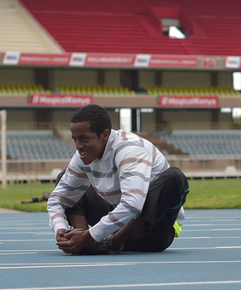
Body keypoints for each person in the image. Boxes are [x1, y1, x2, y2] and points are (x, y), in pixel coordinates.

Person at [48, 104, 188, 255]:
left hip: (148, 232)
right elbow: (57, 200)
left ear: (105, 135)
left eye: (84, 139)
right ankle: (80, 238)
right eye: (75, 139)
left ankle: (110, 243)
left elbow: (133, 205)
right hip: (112, 224)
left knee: (174, 177)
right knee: (65, 179)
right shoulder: (83, 156)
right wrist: (61, 230)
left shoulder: (130, 149)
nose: (78, 146)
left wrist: (90, 236)